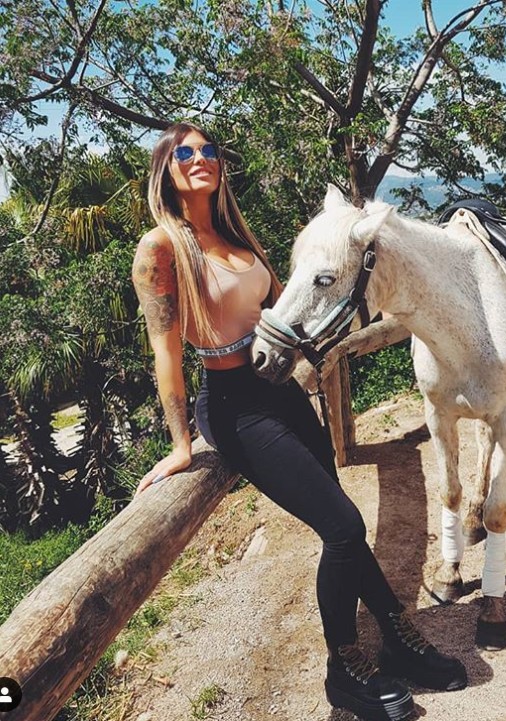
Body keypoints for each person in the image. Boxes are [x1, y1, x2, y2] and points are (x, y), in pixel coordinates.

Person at [132, 122, 467, 720]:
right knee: (343, 527)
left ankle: (396, 635)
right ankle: (345, 667)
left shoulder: (237, 236)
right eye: (184, 151)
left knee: (342, 524)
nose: (200, 157)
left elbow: (288, 308)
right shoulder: (160, 248)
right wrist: (182, 443)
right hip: (233, 406)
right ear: (166, 169)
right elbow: (165, 353)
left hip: (281, 393)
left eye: (208, 149)